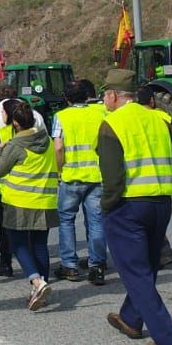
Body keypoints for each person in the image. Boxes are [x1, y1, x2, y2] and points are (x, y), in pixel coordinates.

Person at [98, 68, 172, 345]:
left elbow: (113, 178)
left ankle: (166, 338)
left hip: (127, 206)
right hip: (160, 204)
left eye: (106, 94)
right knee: (146, 267)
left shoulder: (111, 124)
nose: (104, 99)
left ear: (114, 96)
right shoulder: (161, 121)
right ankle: (130, 318)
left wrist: (106, 207)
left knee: (135, 272)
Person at [0, 99, 57, 311]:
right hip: (45, 200)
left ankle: (37, 282)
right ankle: (41, 289)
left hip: (19, 201)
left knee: (18, 243)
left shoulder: (15, 145)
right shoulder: (46, 140)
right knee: (39, 244)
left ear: (16, 124)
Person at [53, 80, 108, 285]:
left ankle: (70, 265)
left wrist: (59, 169)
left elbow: (58, 147)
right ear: (86, 96)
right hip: (96, 175)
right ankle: (97, 265)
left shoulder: (61, 117)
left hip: (71, 176)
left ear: (66, 98)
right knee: (96, 222)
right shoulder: (100, 113)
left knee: (66, 221)